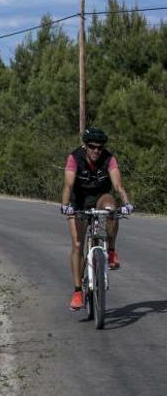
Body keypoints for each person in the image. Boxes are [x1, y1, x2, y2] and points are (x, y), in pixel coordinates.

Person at [60, 128, 133, 310]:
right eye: (92, 147)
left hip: (100, 197)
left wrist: (127, 203)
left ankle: (112, 250)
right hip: (78, 202)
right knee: (77, 244)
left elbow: (118, 185)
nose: (96, 151)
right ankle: (78, 292)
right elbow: (68, 185)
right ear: (85, 146)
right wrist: (65, 205)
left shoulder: (109, 158)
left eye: (99, 148)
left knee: (111, 208)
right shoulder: (74, 158)